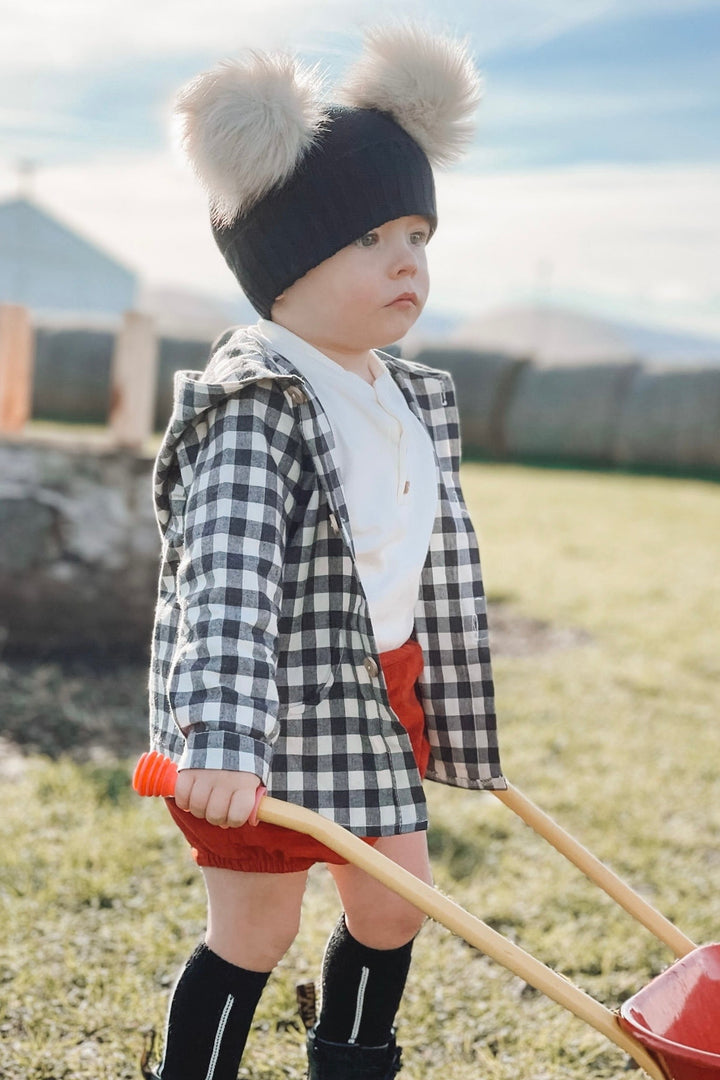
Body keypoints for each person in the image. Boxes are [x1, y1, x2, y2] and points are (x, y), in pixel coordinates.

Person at [144, 21, 505, 1080]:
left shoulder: (403, 393)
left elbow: (419, 564)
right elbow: (227, 584)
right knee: (254, 933)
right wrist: (218, 737)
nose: (406, 262)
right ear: (285, 262)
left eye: (417, 236)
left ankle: (352, 1062)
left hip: (374, 694)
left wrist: (440, 702)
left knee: (397, 906)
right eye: (369, 240)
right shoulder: (255, 404)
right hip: (258, 701)